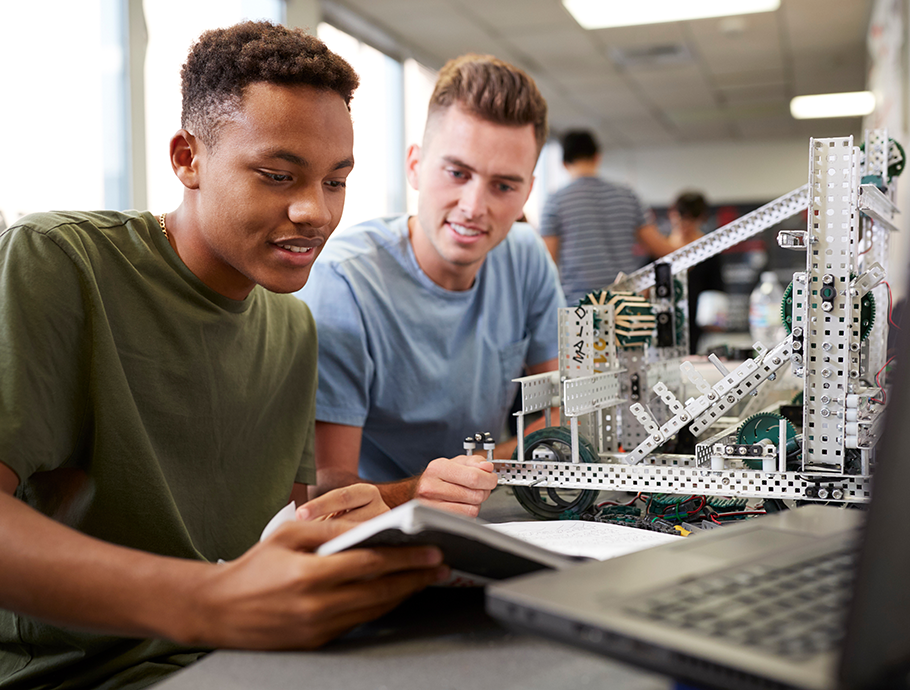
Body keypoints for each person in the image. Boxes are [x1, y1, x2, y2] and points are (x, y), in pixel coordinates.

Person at [0, 21, 448, 690]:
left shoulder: (293, 327)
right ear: (187, 159)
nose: (315, 212)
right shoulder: (60, 260)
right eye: (277, 175)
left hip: (248, 664)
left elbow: (276, 537)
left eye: (335, 182)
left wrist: (405, 502)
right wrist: (211, 603)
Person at [298, 54, 565, 516]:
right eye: (457, 173)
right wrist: (423, 489)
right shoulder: (345, 282)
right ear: (416, 166)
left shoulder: (527, 257)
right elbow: (328, 493)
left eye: (503, 186)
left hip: (493, 511)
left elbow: (559, 414)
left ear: (526, 193)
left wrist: (474, 476)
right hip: (383, 528)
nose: (473, 206)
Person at [540, 129, 675, 306]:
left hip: (580, 309)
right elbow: (660, 248)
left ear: (564, 163)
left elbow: (546, 264)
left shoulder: (555, 201)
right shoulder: (627, 195)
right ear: (597, 157)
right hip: (626, 306)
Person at [667, 191, 726, 354]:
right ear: (672, 215)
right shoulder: (660, 249)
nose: (685, 224)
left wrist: (716, 319)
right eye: (681, 218)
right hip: (666, 320)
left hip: (697, 325)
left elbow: (716, 287)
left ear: (701, 218)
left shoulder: (709, 250)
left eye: (690, 219)